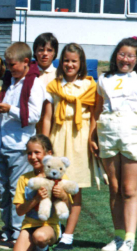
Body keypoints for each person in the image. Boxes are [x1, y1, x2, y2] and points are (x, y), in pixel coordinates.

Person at [91, 37, 137, 251]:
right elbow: (97, 109)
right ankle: (118, 237)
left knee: (129, 189)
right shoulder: (104, 79)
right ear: (115, 55)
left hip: (133, 134)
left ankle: (129, 239)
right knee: (115, 188)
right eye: (122, 54)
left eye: (130, 56)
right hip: (109, 133)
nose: (125, 59)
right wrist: (92, 136)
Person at [42, 43, 97, 250]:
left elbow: (93, 117)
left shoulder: (89, 86)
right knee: (53, 186)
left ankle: (68, 236)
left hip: (79, 140)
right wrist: (46, 144)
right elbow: (47, 118)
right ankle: (53, 228)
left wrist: (92, 139)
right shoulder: (54, 86)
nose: (70, 64)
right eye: (66, 60)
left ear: (81, 63)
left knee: (74, 189)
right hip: (57, 137)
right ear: (60, 62)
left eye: (74, 61)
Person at [0, 42, 46, 246]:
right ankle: (7, 231)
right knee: (3, 191)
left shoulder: (34, 84)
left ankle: (17, 234)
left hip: (19, 145)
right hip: (2, 143)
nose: (9, 68)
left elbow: (34, 115)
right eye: (7, 65)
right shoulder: (11, 82)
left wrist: (10, 109)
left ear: (26, 62)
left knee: (17, 192)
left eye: (12, 64)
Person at [13, 135, 71, 251]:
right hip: (29, 226)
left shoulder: (60, 176)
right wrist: (36, 199)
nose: (33, 157)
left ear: (48, 154)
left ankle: (42, 247)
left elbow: (68, 206)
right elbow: (19, 211)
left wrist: (63, 195)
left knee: (39, 237)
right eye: (29, 153)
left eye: (37, 152)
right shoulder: (24, 179)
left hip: (49, 226)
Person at [33, 33, 59, 135]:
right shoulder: (29, 74)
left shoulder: (58, 75)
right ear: (35, 52)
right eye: (41, 50)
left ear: (55, 53)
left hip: (53, 125)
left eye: (49, 50)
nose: (45, 54)